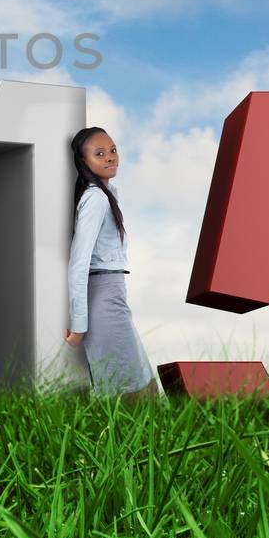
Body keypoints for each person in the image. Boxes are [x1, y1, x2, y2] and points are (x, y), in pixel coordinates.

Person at [63, 127, 161, 400]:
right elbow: (79, 262)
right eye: (100, 153)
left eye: (113, 150)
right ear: (84, 162)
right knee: (129, 386)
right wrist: (79, 326)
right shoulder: (95, 199)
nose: (110, 158)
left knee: (137, 378)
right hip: (103, 296)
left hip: (113, 292)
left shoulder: (106, 194)